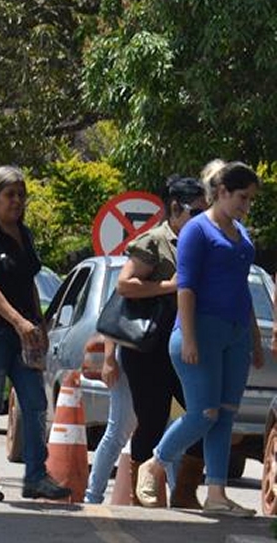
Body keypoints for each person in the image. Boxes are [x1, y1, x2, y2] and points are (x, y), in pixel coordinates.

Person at [136, 162, 267, 517]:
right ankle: (155, 463)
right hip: (199, 332)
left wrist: (254, 340)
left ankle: (217, 495)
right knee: (204, 413)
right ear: (222, 191)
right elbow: (186, 287)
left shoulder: (242, 235)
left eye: (250, 199)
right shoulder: (197, 230)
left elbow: (242, 290)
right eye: (242, 197)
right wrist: (189, 337)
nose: (246, 206)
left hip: (236, 334)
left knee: (225, 415)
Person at [0, 165, 71, 502]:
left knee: (35, 403)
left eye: (21, 195)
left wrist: (37, 324)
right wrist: (17, 322)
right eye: (10, 195)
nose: (17, 201)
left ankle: (36, 476)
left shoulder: (25, 234)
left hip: (25, 336)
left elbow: (29, 284)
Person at [113, 176, 208, 508]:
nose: (202, 219)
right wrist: (169, 286)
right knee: (151, 420)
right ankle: (143, 497)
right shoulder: (154, 241)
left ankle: (185, 491)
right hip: (149, 348)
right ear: (175, 208)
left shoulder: (206, 242)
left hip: (188, 344)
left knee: (204, 415)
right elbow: (125, 285)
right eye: (195, 212)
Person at [84, 338, 137, 504]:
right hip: (130, 354)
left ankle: (178, 492)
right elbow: (112, 320)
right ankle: (93, 495)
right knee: (117, 432)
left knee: (169, 428)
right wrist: (109, 359)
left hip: (160, 358)